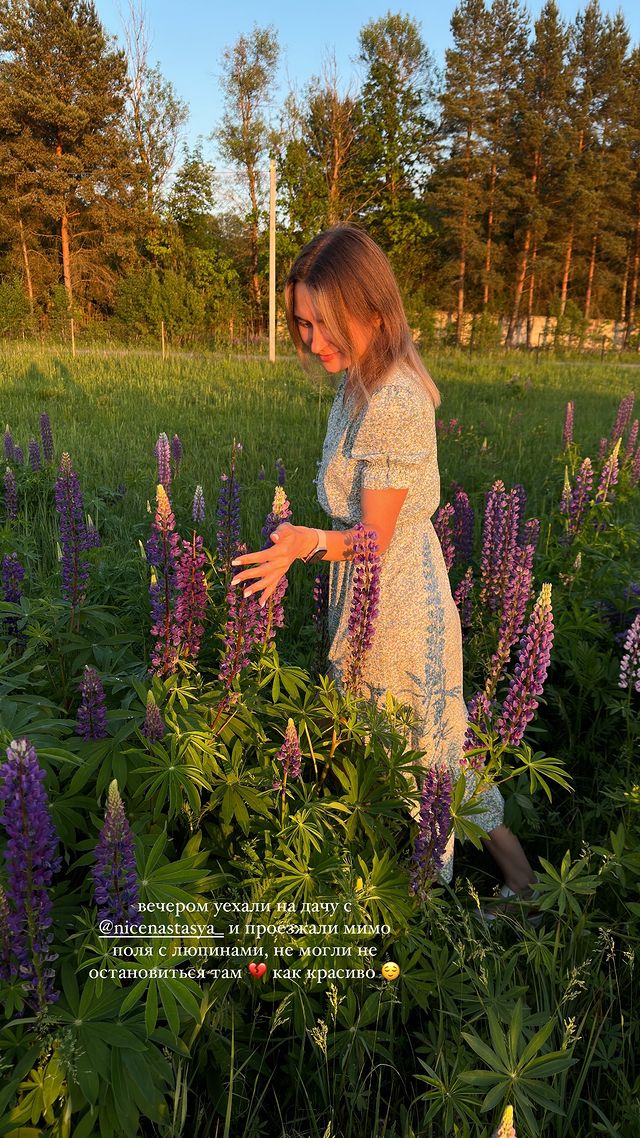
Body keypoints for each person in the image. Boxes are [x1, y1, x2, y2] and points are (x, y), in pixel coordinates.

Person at [230, 224, 535, 895]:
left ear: (372, 311)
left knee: (427, 761)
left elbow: (374, 538)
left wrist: (306, 543)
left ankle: (453, 902)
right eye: (303, 325)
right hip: (368, 591)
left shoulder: (392, 398)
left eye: (323, 323)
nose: (312, 341)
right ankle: (506, 883)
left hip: (395, 604)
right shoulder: (362, 380)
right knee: (415, 751)